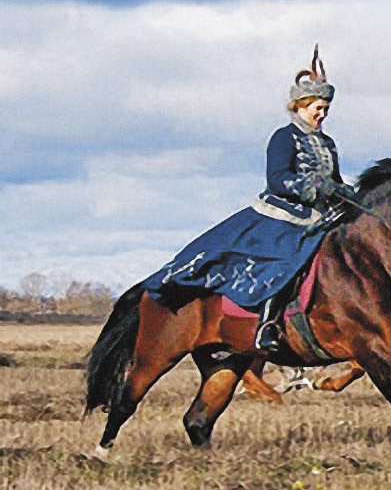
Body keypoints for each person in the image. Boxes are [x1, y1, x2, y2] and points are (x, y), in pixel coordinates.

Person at [145, 46, 352, 353]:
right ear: (301, 105)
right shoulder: (284, 137)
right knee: (286, 263)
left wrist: (343, 192)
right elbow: (278, 179)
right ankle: (267, 325)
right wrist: (317, 189)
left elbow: (332, 180)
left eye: (326, 109)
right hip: (283, 216)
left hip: (319, 216)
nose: (322, 114)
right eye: (317, 108)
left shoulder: (328, 142)